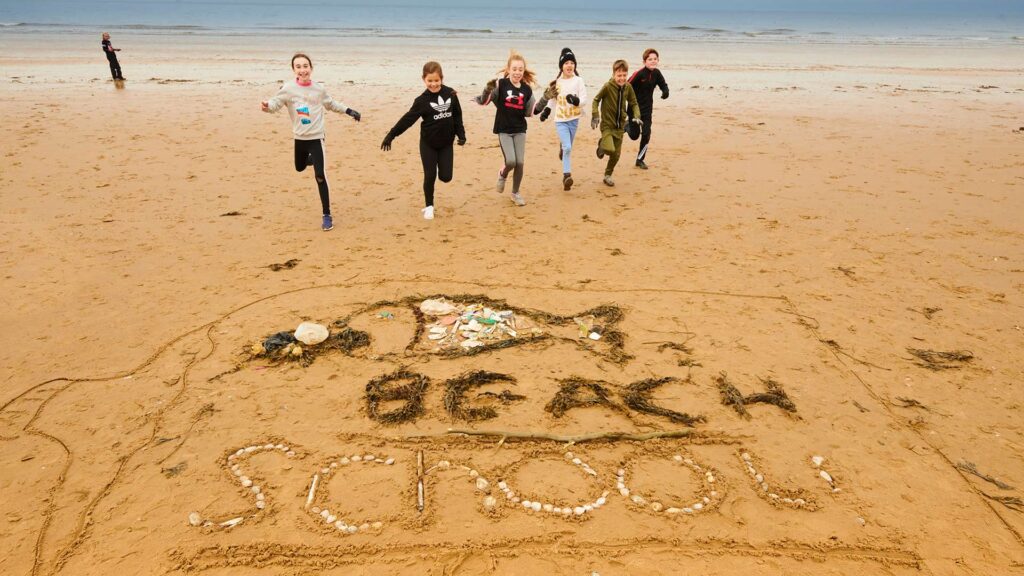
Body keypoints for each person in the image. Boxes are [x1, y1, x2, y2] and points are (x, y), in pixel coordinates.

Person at [261, 53, 361, 231]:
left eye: (305, 66)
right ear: (294, 70)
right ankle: (312, 159)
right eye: (298, 66)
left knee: (320, 176)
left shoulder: (319, 89)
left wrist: (349, 111)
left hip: (316, 137)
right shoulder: (288, 88)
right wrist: (267, 106)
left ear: (311, 68)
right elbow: (276, 103)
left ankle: (327, 215)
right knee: (299, 167)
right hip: (299, 138)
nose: (302, 69)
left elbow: (331, 104)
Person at [380, 61, 466, 220]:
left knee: (446, 177)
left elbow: (457, 115)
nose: (433, 84)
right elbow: (407, 119)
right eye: (430, 81)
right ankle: (429, 206)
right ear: (424, 80)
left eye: (436, 80)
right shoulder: (421, 101)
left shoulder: (451, 94)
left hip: (446, 143)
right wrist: (391, 135)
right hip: (428, 144)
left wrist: (461, 134)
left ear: (442, 78)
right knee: (430, 174)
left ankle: (431, 200)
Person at [476, 51, 537, 207]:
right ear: (508, 69)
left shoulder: (527, 90)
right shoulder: (500, 85)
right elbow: (484, 101)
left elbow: (530, 112)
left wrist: (545, 99)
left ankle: (515, 193)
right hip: (504, 129)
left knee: (520, 163)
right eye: (514, 69)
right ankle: (502, 174)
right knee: (511, 161)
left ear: (524, 71)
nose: (517, 72)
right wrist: (487, 89)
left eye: (520, 69)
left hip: (520, 129)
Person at [536, 47, 587, 191]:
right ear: (561, 67)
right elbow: (553, 99)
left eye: (572, 63)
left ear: (575, 65)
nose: (569, 65)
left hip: (574, 119)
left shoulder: (579, 81)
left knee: (566, 147)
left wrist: (576, 101)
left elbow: (584, 99)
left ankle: (562, 147)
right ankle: (566, 176)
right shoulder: (557, 82)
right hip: (560, 120)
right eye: (566, 63)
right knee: (568, 148)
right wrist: (546, 111)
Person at [591, 59, 641, 187]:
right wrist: (595, 115)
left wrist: (636, 116)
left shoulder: (628, 87)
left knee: (616, 156)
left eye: (624, 75)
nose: (622, 78)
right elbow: (596, 100)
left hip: (620, 127)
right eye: (619, 75)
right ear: (614, 74)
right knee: (610, 149)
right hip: (607, 125)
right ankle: (602, 146)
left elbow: (633, 103)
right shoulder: (608, 86)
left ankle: (608, 175)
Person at [628, 48, 669, 169]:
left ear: (658, 60)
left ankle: (640, 160)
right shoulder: (639, 74)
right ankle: (627, 126)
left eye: (655, 59)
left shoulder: (657, 73)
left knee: (646, 134)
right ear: (644, 61)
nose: (653, 61)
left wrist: (665, 92)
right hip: (634, 110)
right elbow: (626, 87)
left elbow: (663, 84)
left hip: (647, 111)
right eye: (650, 59)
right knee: (634, 136)